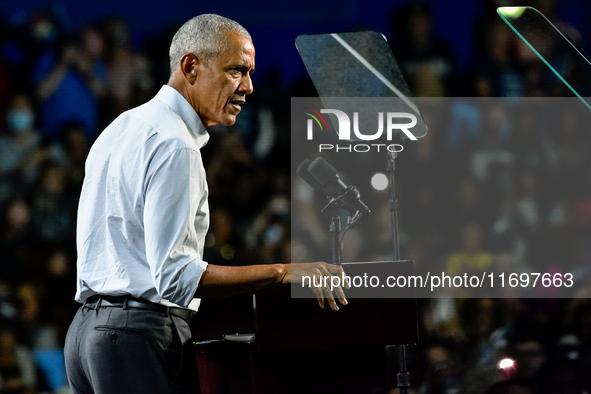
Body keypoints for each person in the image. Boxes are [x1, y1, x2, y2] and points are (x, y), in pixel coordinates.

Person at [64, 14, 347, 394]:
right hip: (136, 337)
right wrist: (281, 272)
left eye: (249, 73)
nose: (248, 86)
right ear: (190, 66)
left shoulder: (121, 127)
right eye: (236, 71)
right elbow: (176, 277)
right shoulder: (175, 145)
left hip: (86, 336)